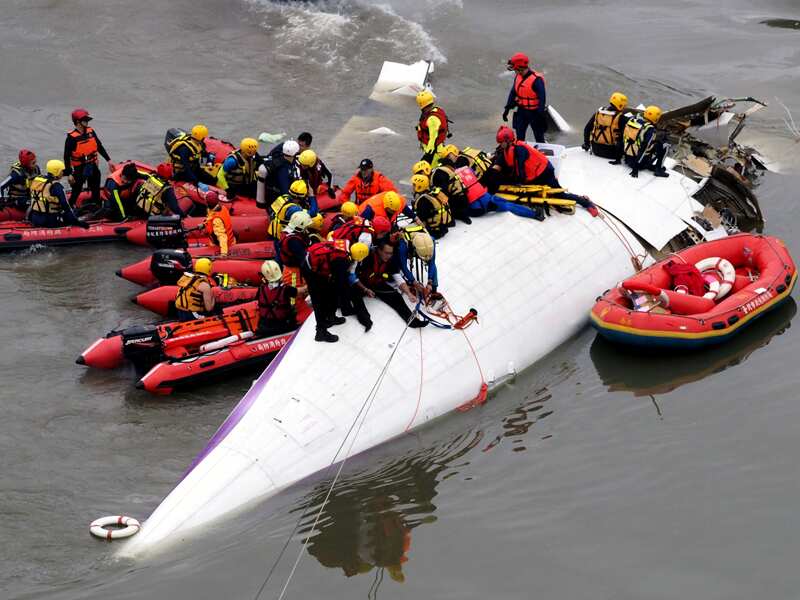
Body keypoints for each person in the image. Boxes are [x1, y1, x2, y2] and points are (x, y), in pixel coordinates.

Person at [493, 126, 599, 216]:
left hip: (545, 173)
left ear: (507, 141)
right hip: (536, 174)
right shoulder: (508, 148)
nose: (500, 145)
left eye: (501, 142)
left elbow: (521, 174)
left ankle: (585, 202)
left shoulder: (520, 150)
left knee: (559, 195)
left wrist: (513, 184)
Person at [302, 240, 371, 342]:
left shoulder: (346, 245)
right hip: (310, 271)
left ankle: (331, 317)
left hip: (312, 263)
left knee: (331, 292)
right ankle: (320, 332)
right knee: (318, 300)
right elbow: (339, 284)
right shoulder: (342, 261)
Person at [352, 241, 427, 328]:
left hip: (376, 283)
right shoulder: (367, 257)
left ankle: (412, 321)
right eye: (386, 253)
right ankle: (366, 321)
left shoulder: (390, 260)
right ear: (379, 250)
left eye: (391, 253)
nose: (389, 256)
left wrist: (409, 293)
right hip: (360, 284)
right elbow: (353, 276)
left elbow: (398, 277)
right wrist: (365, 289)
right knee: (355, 296)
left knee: (396, 296)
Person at [63, 108, 111, 208]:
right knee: (77, 189)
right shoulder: (71, 138)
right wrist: (69, 174)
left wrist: (109, 160)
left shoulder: (91, 131)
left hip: (92, 165)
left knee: (95, 185)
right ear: (77, 122)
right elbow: (66, 156)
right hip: (80, 168)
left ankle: (96, 204)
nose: (87, 122)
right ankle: (70, 206)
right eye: (85, 120)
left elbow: (99, 146)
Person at [28, 160, 88, 228]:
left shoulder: (37, 179)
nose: (63, 173)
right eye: (61, 171)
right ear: (57, 172)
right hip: (48, 221)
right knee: (72, 214)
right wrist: (78, 223)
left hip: (34, 218)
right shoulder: (56, 186)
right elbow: (66, 207)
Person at [503, 53, 547, 143]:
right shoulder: (518, 77)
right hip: (522, 111)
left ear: (519, 67)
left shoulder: (536, 80)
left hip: (534, 113)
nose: (513, 70)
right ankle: (520, 154)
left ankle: (542, 154)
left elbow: (542, 99)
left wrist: (540, 115)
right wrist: (507, 108)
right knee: (519, 137)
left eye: (514, 68)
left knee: (539, 137)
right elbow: (513, 92)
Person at [621, 105, 669, 178]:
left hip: (627, 159)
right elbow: (643, 149)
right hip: (639, 164)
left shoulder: (632, 120)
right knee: (665, 145)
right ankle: (658, 169)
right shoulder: (650, 129)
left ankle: (648, 164)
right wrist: (635, 168)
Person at [255, 260, 299, 337]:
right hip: (282, 326)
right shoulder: (286, 289)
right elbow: (299, 291)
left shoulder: (261, 288)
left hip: (264, 326)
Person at [430, 145, 472, 224]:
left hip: (456, 201)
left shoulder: (446, 168)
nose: (457, 156)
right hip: (452, 204)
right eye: (454, 155)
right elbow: (444, 193)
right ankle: (458, 214)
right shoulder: (441, 172)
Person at [582, 92, 630, 160]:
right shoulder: (621, 118)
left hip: (596, 150)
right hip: (612, 153)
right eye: (624, 106)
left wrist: (586, 144)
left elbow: (587, 129)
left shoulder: (598, 113)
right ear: (620, 105)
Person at [394, 226, 438, 299]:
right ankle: (407, 282)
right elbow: (404, 266)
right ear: (415, 250)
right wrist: (414, 282)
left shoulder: (431, 241)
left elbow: (432, 262)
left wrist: (430, 282)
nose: (425, 260)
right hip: (409, 246)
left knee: (432, 262)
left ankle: (434, 288)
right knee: (398, 262)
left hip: (417, 247)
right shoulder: (403, 245)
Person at [276, 209, 312, 299]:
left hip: (291, 270)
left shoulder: (288, 233)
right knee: (295, 297)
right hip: (293, 274)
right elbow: (303, 258)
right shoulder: (293, 241)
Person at [410, 173, 453, 238]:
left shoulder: (423, 200)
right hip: (443, 227)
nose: (412, 187)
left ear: (419, 186)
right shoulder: (433, 193)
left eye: (414, 185)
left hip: (434, 231)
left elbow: (420, 219)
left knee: (407, 232)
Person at [260, 140, 300, 207]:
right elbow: (285, 191)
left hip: (272, 197)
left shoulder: (279, 158)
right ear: (295, 153)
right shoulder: (283, 169)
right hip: (277, 202)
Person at [416, 90, 451, 165]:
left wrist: (428, 154)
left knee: (431, 171)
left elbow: (433, 138)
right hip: (437, 149)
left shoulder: (432, 119)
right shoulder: (436, 110)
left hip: (434, 152)